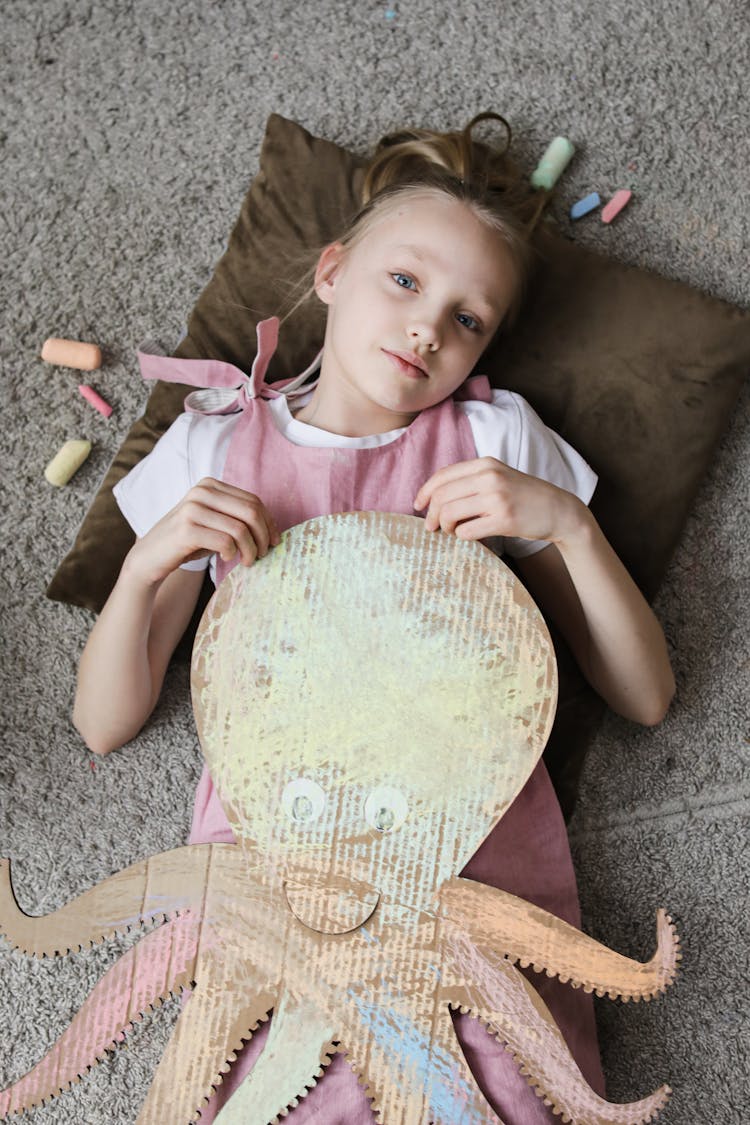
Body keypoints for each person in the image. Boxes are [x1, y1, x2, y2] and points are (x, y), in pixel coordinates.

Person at [73, 113, 675, 1123]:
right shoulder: (218, 446)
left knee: (492, 1090)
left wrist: (567, 528)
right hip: (281, 869)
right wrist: (143, 570)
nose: (427, 329)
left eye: (468, 318)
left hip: (470, 862)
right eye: (404, 282)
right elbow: (104, 721)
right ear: (331, 273)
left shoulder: (489, 438)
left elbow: (645, 694)